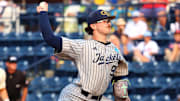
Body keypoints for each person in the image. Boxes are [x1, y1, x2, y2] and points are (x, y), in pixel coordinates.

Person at [37, 1, 130, 101]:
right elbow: (50, 38)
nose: (108, 23)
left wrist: (123, 96)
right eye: (103, 21)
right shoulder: (83, 46)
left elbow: (120, 77)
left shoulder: (115, 50)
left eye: (109, 21)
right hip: (75, 96)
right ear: (93, 26)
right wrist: (43, 13)